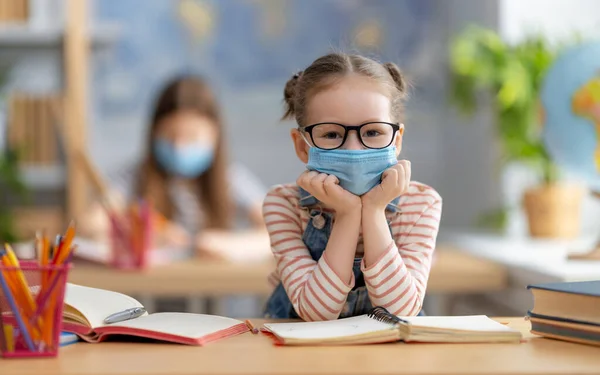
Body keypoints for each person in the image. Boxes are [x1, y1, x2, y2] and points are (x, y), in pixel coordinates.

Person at [262, 53, 442, 321]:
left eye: (372, 132)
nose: (354, 149)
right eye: (332, 134)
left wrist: (373, 210)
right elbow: (316, 313)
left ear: (396, 140)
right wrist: (347, 214)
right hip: (300, 357)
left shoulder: (422, 203)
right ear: (302, 145)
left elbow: (400, 312)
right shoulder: (283, 204)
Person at [78, 75, 269, 261]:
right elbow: (89, 225)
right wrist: (145, 234)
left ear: (216, 135)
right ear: (154, 133)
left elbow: (280, 230)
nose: (179, 146)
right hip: (149, 291)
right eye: (170, 135)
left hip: (213, 290)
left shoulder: (231, 179)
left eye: (192, 136)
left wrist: (229, 246)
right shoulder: (134, 177)